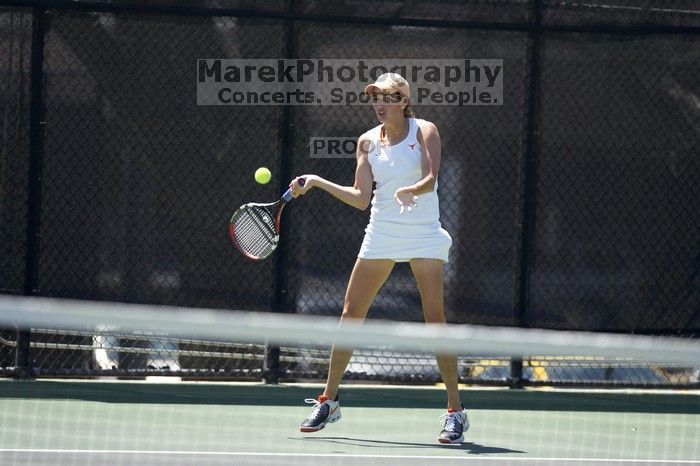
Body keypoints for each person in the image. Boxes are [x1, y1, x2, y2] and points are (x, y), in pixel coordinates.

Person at [288, 72, 468, 444]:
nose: (380, 104)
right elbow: (359, 197)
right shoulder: (367, 142)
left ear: (404, 101)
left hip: (422, 232)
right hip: (382, 232)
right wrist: (317, 181)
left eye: (388, 97)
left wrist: (409, 189)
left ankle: (456, 411)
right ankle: (329, 400)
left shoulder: (425, 131)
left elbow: (432, 179)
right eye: (375, 97)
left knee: (435, 319)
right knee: (350, 315)